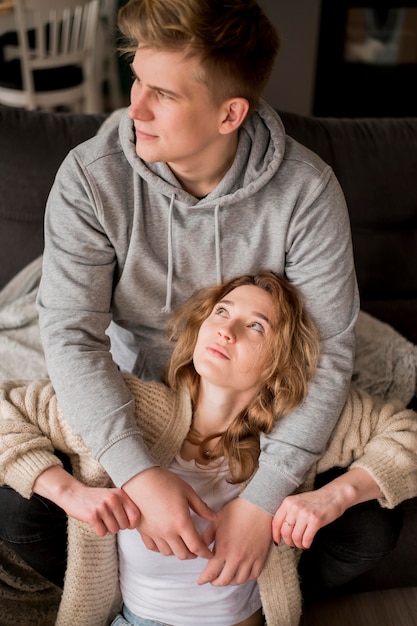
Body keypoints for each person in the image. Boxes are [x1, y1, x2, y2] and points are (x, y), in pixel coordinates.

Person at [0, 0, 361, 594]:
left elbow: (327, 349)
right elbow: (71, 335)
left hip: (249, 396)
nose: (132, 107)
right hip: (133, 386)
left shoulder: (308, 192)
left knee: (364, 534)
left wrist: (263, 503)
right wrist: (138, 472)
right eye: (136, 79)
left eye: (161, 94)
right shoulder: (90, 177)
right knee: (19, 516)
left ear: (230, 114)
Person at [0, 272, 416, 626]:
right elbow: (8, 406)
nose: (226, 330)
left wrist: (332, 498)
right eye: (222, 311)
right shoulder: (132, 407)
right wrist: (67, 491)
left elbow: (407, 434)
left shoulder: (298, 432)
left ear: (279, 363)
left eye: (256, 326)